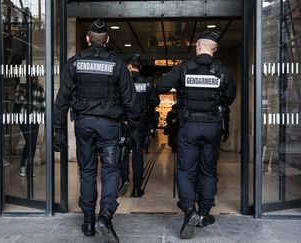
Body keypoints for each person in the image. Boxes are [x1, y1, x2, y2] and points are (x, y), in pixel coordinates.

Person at [53, 19, 139, 243]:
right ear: (107, 40)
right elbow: (131, 101)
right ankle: (106, 216)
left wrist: (59, 132)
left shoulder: (74, 63)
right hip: (109, 127)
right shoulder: (118, 64)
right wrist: (135, 130)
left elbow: (61, 101)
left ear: (87, 39)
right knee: (110, 171)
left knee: (88, 172)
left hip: (83, 126)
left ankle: (89, 221)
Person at [156, 30, 236, 239]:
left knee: (185, 170)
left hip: (189, 127)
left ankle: (189, 211)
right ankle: (203, 214)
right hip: (212, 127)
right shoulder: (222, 72)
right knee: (208, 171)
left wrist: (180, 89)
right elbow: (229, 97)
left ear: (198, 46)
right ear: (214, 49)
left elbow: (161, 86)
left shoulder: (184, 69)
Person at [118, 54, 160, 197]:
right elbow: (156, 101)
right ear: (140, 67)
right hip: (140, 123)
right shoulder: (147, 83)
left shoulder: (122, 82)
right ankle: (136, 187)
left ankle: (124, 179)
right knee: (137, 153)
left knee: (123, 152)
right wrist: (146, 111)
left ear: (129, 66)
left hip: (124, 122)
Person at [14, 76, 45, 177]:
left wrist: (44, 119)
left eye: (36, 78)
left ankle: (28, 168)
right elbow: (17, 100)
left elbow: (42, 105)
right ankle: (24, 166)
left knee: (32, 143)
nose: (36, 80)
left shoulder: (40, 89)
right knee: (29, 142)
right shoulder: (21, 87)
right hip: (23, 118)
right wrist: (25, 93)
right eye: (33, 78)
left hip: (35, 119)